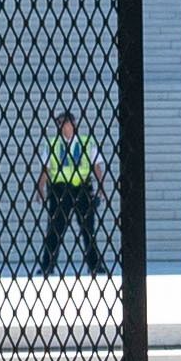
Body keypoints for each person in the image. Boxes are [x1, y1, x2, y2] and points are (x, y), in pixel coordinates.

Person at [32, 113, 104, 274]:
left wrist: (101, 187)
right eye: (60, 124)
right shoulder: (52, 144)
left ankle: (95, 265)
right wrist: (40, 187)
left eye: (64, 123)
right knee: (55, 229)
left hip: (82, 187)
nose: (62, 126)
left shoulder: (87, 141)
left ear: (73, 124)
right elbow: (46, 168)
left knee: (88, 228)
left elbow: (96, 166)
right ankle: (47, 265)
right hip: (60, 189)